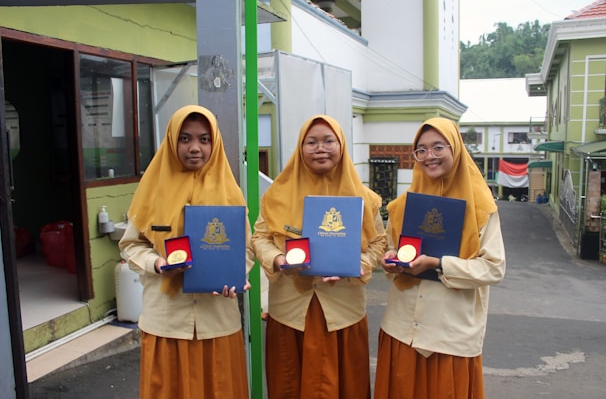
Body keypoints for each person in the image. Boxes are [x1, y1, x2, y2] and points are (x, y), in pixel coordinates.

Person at [118, 105, 253, 398]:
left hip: (218, 320)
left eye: (204, 139)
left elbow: (247, 248)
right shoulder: (150, 189)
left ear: (214, 143)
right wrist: (157, 263)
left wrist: (236, 275)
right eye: (185, 138)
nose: (195, 148)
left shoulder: (231, 193)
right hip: (166, 321)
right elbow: (131, 245)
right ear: (171, 141)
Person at [252, 115, 387, 398]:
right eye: (311, 142)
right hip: (290, 312)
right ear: (300, 148)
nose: (320, 148)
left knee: (345, 387)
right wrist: (278, 260)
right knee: (290, 385)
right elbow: (260, 238)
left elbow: (378, 244)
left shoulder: (364, 198)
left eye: (328, 141)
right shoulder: (277, 194)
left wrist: (355, 265)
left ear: (341, 145)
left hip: (343, 312)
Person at [374, 117, 506, 398]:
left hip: (450, 338)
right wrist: (390, 260)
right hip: (402, 329)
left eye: (437, 147)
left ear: (455, 149)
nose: (428, 156)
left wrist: (438, 263)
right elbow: (392, 251)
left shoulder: (481, 208)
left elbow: (493, 269)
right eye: (420, 150)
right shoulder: (403, 206)